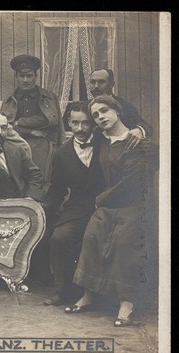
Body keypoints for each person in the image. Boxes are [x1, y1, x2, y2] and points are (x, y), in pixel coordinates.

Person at [65, 95, 158, 327]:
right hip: (108, 206)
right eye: (95, 115)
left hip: (132, 206)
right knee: (92, 238)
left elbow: (133, 181)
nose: (100, 117)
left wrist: (100, 199)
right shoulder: (101, 140)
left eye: (104, 111)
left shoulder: (138, 143)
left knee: (126, 247)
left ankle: (127, 304)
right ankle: (88, 295)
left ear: (117, 110)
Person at [41, 102, 107, 306]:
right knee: (60, 238)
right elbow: (57, 189)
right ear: (68, 122)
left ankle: (104, 294)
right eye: (75, 123)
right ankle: (64, 292)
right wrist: (41, 212)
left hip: (107, 205)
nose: (80, 129)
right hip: (78, 208)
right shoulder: (61, 154)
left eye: (85, 123)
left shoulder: (105, 145)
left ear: (93, 124)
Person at [1, 54, 65, 188]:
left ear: (36, 76)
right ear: (16, 77)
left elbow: (52, 122)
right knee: (19, 182)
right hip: (16, 146)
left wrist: (20, 122)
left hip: (44, 147)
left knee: (42, 182)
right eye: (21, 76)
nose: (25, 80)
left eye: (29, 76)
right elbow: (5, 127)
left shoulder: (48, 98)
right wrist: (31, 131)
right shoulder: (9, 101)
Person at [88, 68, 152, 148]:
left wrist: (139, 130)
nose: (96, 86)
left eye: (101, 82)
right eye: (93, 82)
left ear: (111, 84)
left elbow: (144, 125)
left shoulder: (124, 105)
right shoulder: (85, 107)